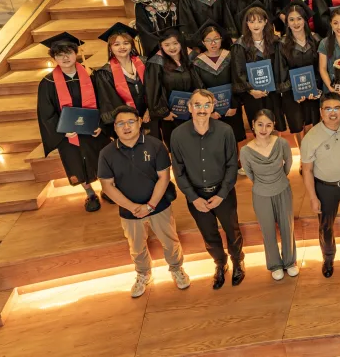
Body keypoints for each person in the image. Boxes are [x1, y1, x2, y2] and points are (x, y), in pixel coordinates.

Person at [97, 106, 190, 298]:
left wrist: (150, 206)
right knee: (136, 246)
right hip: (129, 211)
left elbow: (164, 177)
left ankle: (176, 269)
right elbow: (107, 186)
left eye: (131, 122)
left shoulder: (155, 145)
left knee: (170, 241)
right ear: (114, 127)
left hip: (158, 206)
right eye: (121, 123)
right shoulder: (107, 153)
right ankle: (143, 274)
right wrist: (132, 208)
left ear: (139, 122)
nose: (126, 127)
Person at [170, 89, 245, 289]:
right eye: (197, 105)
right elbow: (178, 171)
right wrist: (193, 198)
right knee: (208, 234)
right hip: (196, 196)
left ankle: (238, 261)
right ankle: (220, 265)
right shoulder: (177, 135)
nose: (202, 110)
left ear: (212, 107)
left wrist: (221, 194)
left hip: (223, 193)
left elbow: (232, 165)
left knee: (232, 230)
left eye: (206, 105)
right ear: (189, 107)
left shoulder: (225, 131)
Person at [36, 32, 106, 210]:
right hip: (69, 134)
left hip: (92, 130)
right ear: (54, 58)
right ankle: (90, 193)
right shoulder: (48, 82)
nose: (65, 57)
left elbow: (104, 101)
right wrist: (62, 129)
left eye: (68, 52)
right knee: (76, 161)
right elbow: (46, 113)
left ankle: (107, 189)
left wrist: (102, 124)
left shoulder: (91, 75)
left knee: (101, 158)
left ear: (76, 53)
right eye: (60, 54)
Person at [301, 92, 340, 276]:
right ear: (321, 112)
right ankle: (328, 258)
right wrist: (313, 197)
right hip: (325, 188)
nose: (333, 113)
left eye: (337, 108)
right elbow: (307, 170)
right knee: (325, 226)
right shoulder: (311, 137)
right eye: (328, 109)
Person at [240, 109, 297, 280]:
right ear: (253, 125)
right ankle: (275, 265)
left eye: (268, 125)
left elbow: (288, 164)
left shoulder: (281, 143)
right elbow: (250, 175)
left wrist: (279, 179)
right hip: (261, 194)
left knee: (287, 227)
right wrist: (265, 184)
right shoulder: (245, 151)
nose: (263, 129)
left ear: (273, 126)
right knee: (268, 230)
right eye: (260, 124)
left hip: (283, 189)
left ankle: (289, 262)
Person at [93, 23, 155, 139]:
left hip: (149, 117)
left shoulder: (145, 63)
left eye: (126, 43)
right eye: (117, 44)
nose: (122, 47)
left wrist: (150, 109)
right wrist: (131, 118)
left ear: (131, 45)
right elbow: (109, 100)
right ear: (110, 48)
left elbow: (154, 89)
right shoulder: (105, 73)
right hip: (126, 124)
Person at [145, 28, 204, 147]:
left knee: (197, 144)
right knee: (178, 145)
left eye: (175, 43)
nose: (172, 48)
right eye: (167, 44)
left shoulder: (190, 58)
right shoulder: (156, 63)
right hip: (171, 115)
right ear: (161, 45)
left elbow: (199, 83)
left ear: (181, 43)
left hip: (192, 112)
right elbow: (152, 90)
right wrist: (163, 112)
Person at [231, 5, 284, 133]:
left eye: (260, 21)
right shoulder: (240, 45)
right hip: (252, 95)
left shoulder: (274, 42)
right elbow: (238, 72)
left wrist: (277, 86)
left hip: (272, 93)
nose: (256, 25)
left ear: (266, 22)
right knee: (259, 128)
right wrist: (250, 90)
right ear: (247, 23)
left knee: (274, 125)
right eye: (252, 21)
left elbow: (279, 67)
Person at [191, 22, 245, 141]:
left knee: (234, 137)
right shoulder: (197, 62)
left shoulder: (230, 56)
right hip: (211, 111)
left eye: (216, 39)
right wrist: (210, 110)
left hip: (232, 107)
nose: (213, 43)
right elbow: (200, 87)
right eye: (208, 40)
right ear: (203, 42)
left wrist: (234, 105)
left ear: (221, 39)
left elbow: (237, 81)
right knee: (216, 139)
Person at [279, 1, 322, 136]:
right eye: (291, 19)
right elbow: (281, 71)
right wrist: (296, 92)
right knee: (298, 127)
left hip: (313, 91)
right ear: (287, 22)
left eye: (299, 18)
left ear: (305, 19)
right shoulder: (282, 44)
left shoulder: (315, 39)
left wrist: (316, 88)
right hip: (292, 94)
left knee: (314, 126)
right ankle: (302, 155)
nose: (296, 23)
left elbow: (320, 67)